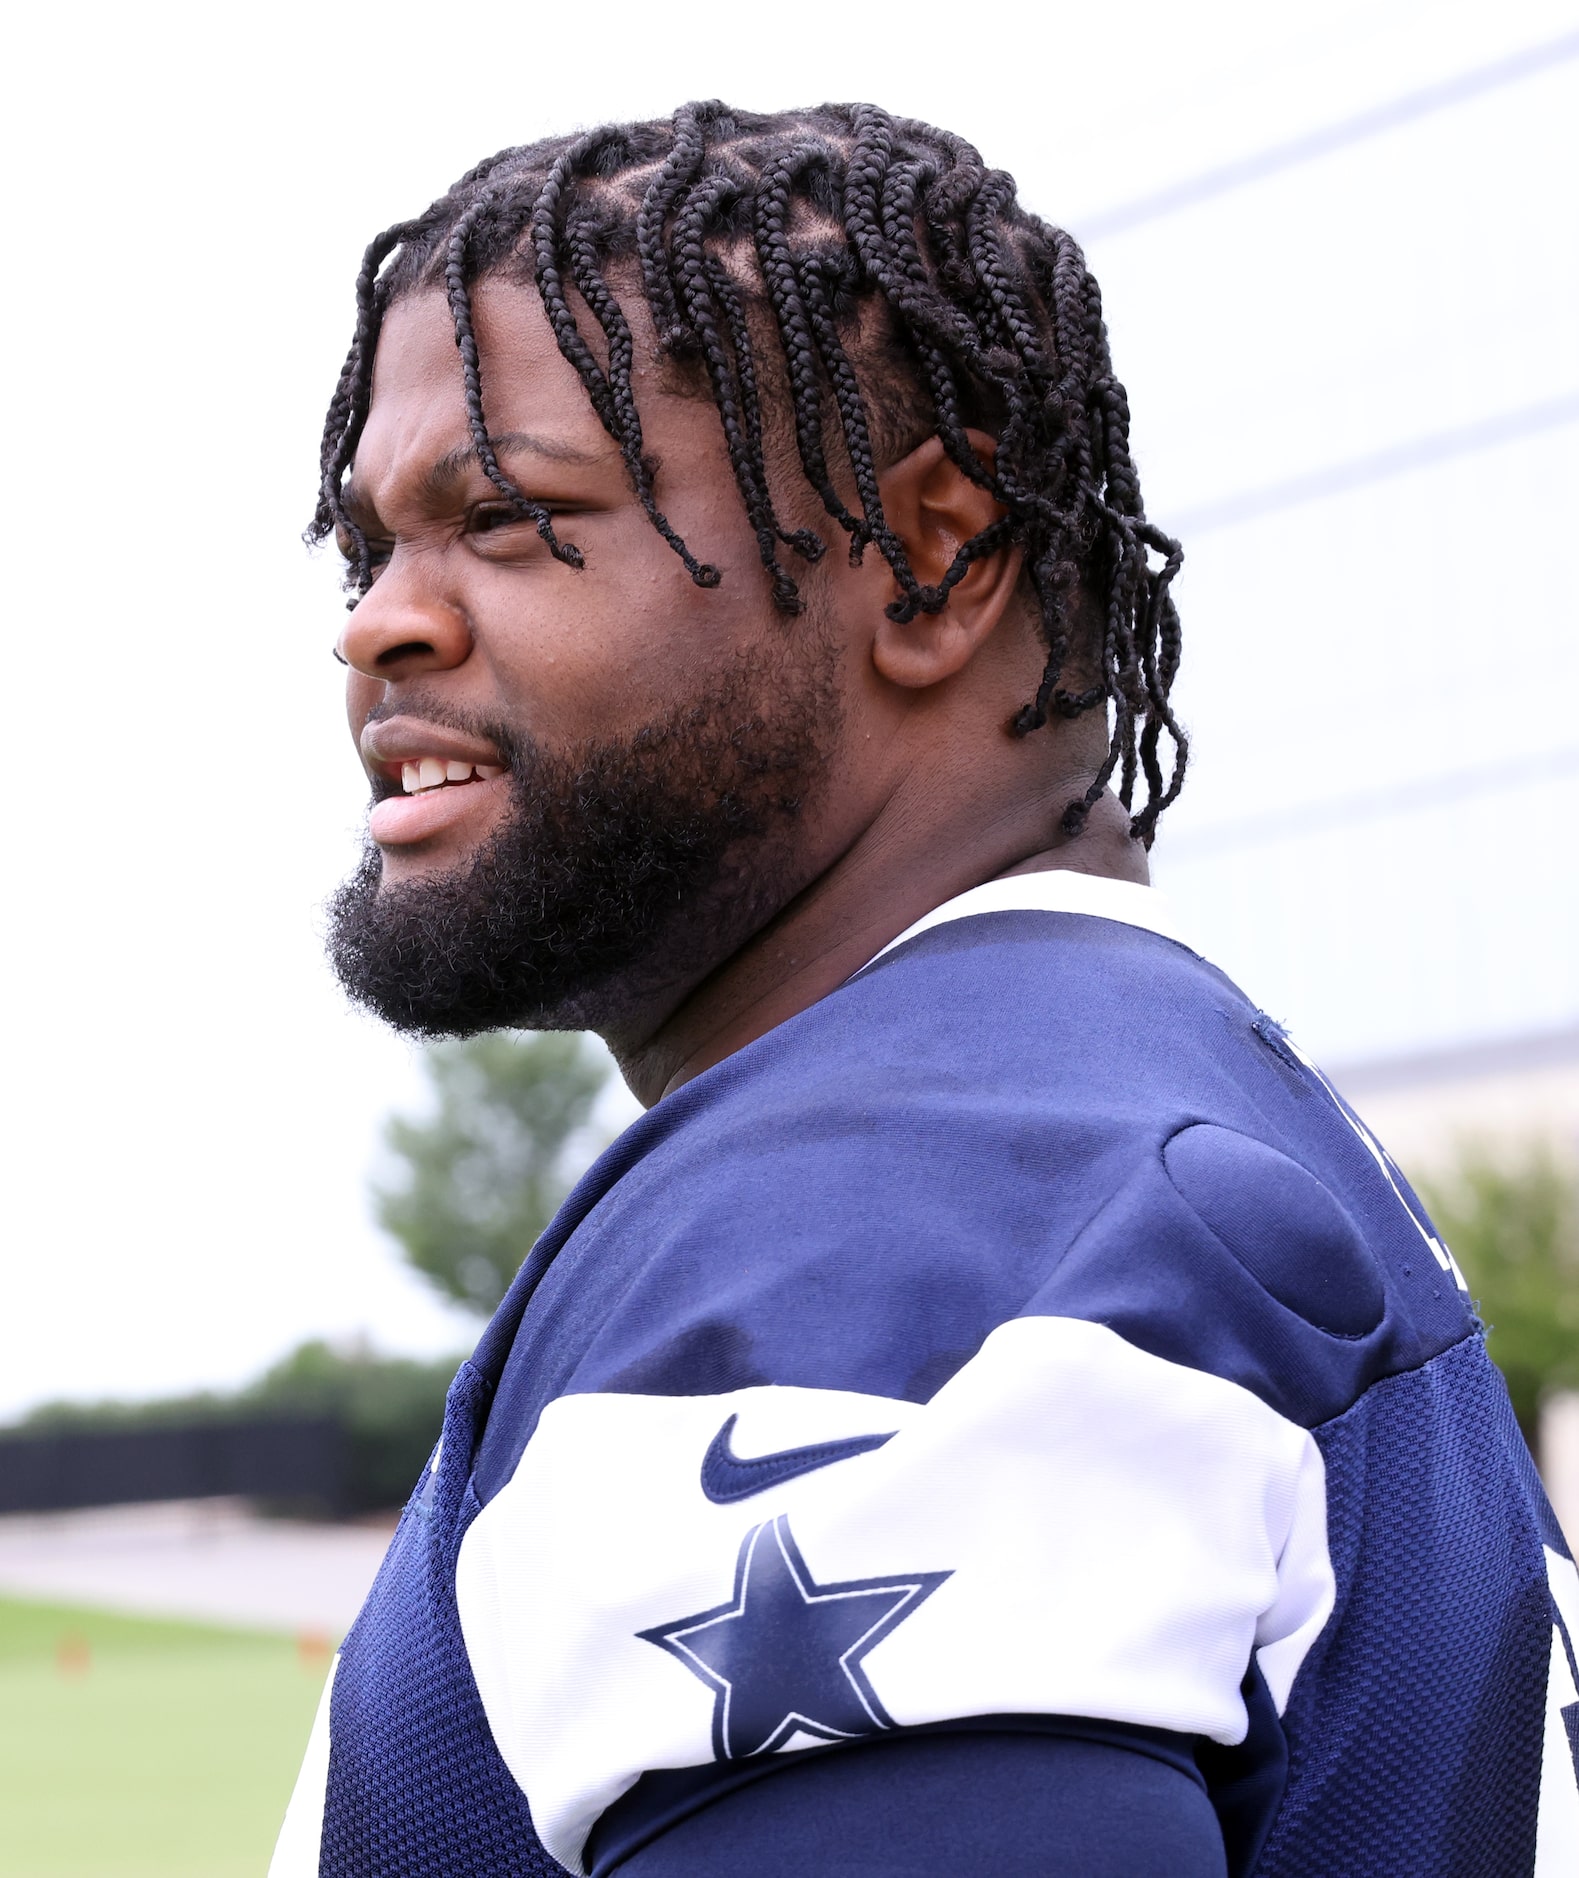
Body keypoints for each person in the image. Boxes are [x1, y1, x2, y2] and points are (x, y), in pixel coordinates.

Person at [271, 102, 1578, 1877]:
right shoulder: (1128, 1128)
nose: (378, 625)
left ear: (937, 554)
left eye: (505, 515)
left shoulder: (882, 1234)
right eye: (370, 552)